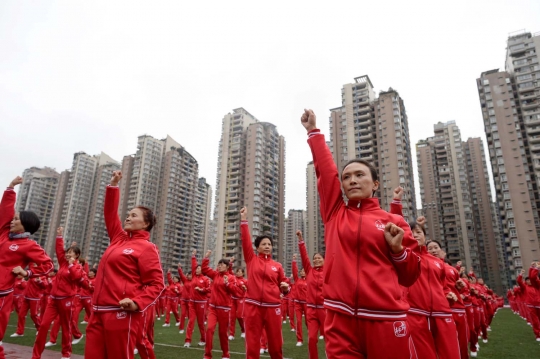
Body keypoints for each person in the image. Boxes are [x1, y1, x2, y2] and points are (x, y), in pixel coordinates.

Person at [301, 109, 421, 359]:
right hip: (340, 319)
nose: (352, 180)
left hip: (385, 319)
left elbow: (410, 276)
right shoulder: (335, 213)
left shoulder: (394, 221)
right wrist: (314, 133)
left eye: (359, 175)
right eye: (347, 177)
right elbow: (326, 174)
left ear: (375, 184)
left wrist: (398, 251)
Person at [84, 170, 165, 359]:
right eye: (128, 214)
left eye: (133, 215)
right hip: (97, 312)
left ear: (145, 224)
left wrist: (137, 303)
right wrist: (113, 185)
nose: (128, 218)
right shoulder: (118, 239)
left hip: (121, 313)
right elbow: (110, 214)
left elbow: (157, 284)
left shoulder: (147, 248)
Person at [0, 176, 54, 359]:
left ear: (25, 225)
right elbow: (4, 213)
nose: (12, 221)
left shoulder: (29, 245)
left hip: (1, 294)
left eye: (16, 219)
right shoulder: (4, 235)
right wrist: (11, 187)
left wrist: (27, 272)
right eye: (13, 219)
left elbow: (48, 265)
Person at [240, 206, 290, 359]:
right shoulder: (251, 260)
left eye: (269, 244)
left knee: (276, 345)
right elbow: (245, 240)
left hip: (273, 307)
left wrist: (286, 289)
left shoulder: (278, 266)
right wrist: (244, 220)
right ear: (257, 247)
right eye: (264, 244)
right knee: (252, 344)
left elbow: (285, 285)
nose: (267, 246)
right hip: (252, 306)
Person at [32, 227, 85, 359]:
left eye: (71, 253)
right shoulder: (62, 263)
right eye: (68, 252)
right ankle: (36, 355)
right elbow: (59, 250)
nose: (68, 254)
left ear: (77, 255)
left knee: (66, 327)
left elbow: (76, 278)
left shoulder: (78, 267)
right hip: (53, 299)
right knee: (43, 326)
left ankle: (66, 354)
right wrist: (59, 236)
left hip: (67, 299)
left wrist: (72, 265)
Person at [427, 241, 469, 359]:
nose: (434, 250)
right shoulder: (426, 266)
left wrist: (459, 288)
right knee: (439, 345)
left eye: (436, 247)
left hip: (456, 308)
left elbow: (455, 287)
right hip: (438, 309)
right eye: (430, 248)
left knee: (460, 342)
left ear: (442, 251)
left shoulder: (451, 269)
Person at [201, 250, 243, 359]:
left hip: (224, 309)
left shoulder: (231, 277)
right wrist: (206, 258)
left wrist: (227, 284)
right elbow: (205, 269)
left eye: (222, 265)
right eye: (218, 264)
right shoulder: (215, 275)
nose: (219, 266)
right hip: (213, 308)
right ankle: (207, 355)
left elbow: (235, 292)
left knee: (223, 333)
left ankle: (225, 354)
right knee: (209, 329)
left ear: (227, 267)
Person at [296, 230, 325, 359]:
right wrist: (301, 240)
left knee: (331, 339)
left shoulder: (329, 270)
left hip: (325, 310)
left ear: (324, 259)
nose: (316, 260)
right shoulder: (309, 271)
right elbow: (304, 257)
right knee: (312, 339)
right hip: (312, 310)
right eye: (315, 258)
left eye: (319, 258)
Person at [183, 250, 210, 347]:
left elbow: (209, 290)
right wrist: (193, 256)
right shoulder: (194, 276)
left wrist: (201, 289)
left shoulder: (206, 279)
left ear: (202, 270)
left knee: (200, 323)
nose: (197, 269)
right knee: (191, 321)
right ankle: (187, 340)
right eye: (197, 268)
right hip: (192, 303)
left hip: (201, 303)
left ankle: (203, 339)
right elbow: (193, 264)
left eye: (199, 268)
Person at [11, 265, 45, 337]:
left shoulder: (42, 276)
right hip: (26, 297)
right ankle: (20, 332)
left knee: (33, 315)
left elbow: (45, 286)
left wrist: (40, 281)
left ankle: (40, 329)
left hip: (35, 298)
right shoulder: (32, 273)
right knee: (21, 314)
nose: (35, 266)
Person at [228, 259, 248, 340]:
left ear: (243, 273)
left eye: (240, 271)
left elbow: (248, 290)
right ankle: (231, 334)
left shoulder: (245, 281)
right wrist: (230, 263)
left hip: (241, 300)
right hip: (233, 299)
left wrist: (245, 288)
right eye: (237, 271)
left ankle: (243, 330)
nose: (238, 272)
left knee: (240, 316)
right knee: (232, 317)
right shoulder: (233, 278)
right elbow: (229, 271)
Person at [291, 253, 307, 346]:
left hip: (307, 303)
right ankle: (299, 340)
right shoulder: (297, 279)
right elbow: (294, 271)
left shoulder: (309, 279)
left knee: (308, 322)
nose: (302, 272)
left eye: (304, 271)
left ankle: (311, 336)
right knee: (299, 321)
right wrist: (294, 261)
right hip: (297, 303)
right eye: (301, 271)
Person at [178, 265, 192, 334]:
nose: (190, 276)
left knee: (190, 316)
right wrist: (180, 268)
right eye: (189, 275)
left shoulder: (194, 281)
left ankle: (190, 328)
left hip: (190, 301)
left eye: (191, 275)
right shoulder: (185, 280)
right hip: (183, 300)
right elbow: (181, 274)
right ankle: (181, 328)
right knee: (183, 314)